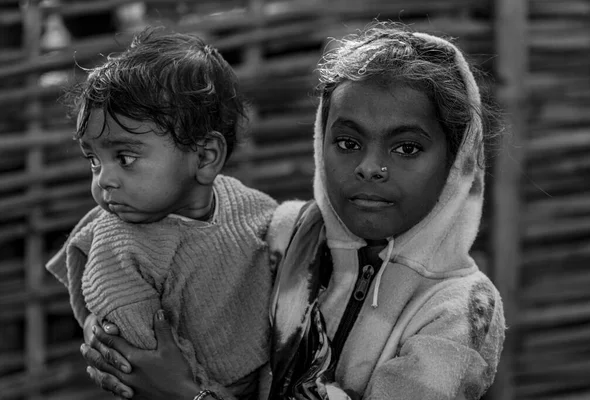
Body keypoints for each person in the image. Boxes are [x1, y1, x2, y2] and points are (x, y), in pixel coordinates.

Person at [80, 21, 506, 400]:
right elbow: (172, 242)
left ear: (457, 164)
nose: (369, 168)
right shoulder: (287, 236)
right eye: (347, 142)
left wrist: (185, 395)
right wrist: (109, 329)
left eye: (407, 147)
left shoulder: (458, 311)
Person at [46, 27, 279, 400]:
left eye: (125, 157)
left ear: (204, 157)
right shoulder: (118, 248)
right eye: (94, 160)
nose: (104, 179)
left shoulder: (246, 205)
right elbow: (140, 357)